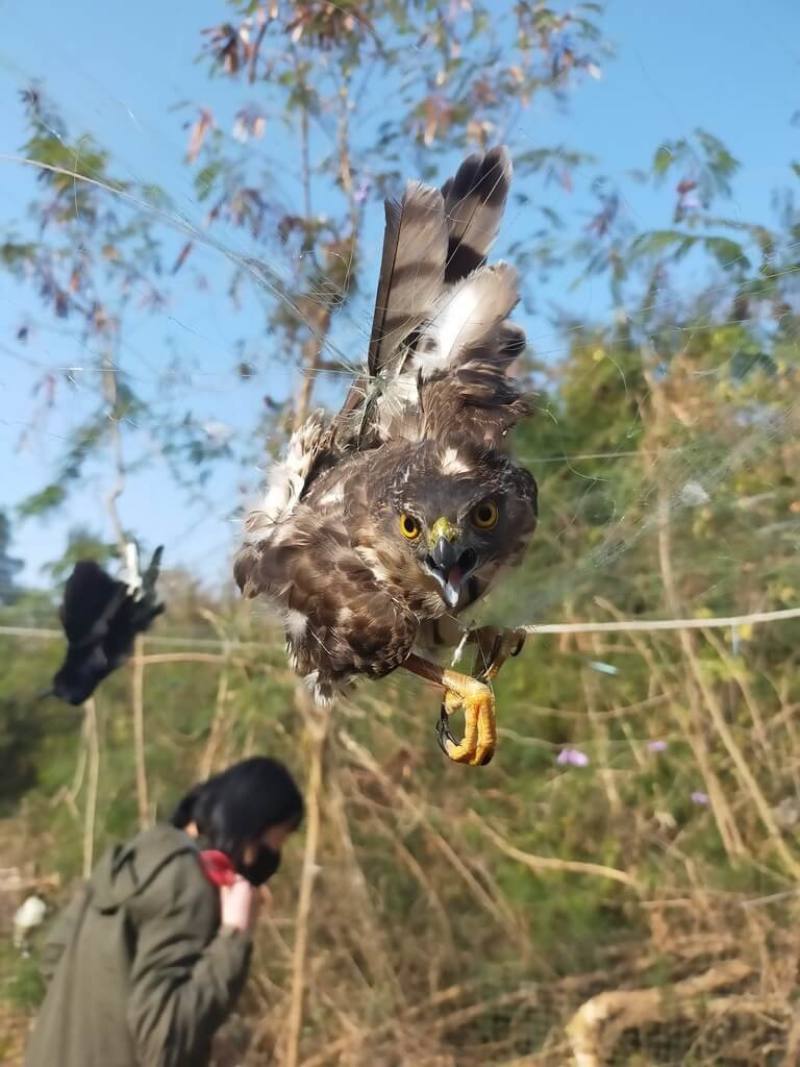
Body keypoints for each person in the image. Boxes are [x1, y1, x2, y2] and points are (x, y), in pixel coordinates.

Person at [25, 756, 304, 1067]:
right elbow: (163, 1043)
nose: (275, 854)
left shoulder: (134, 854)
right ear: (250, 824)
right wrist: (233, 938)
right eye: (277, 839)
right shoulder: (189, 882)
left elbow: (55, 957)